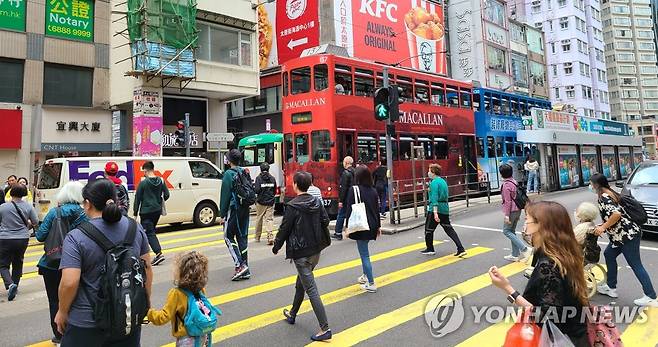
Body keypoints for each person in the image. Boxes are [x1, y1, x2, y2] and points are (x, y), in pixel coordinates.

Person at [56, 179, 153, 346]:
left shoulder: (76, 237)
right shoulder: (134, 228)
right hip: (127, 318)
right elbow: (147, 269)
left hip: (87, 322)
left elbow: (70, 282)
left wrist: (62, 312)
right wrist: (145, 303)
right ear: (114, 200)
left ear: (87, 204)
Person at [489, 201, 590, 346]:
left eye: (527, 220)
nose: (525, 226)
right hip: (577, 336)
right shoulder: (566, 253)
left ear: (541, 225)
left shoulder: (548, 264)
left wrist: (507, 288)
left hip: (563, 340)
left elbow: (546, 316)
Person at [273, 171, 332, 342]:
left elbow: (284, 229)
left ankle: (325, 328)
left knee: (311, 289)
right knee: (301, 284)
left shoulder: (292, 206)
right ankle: (292, 314)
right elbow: (326, 221)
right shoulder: (316, 202)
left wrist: (276, 246)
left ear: (296, 185)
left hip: (301, 254)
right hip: (316, 251)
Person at [590, 173, 658, 306]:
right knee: (609, 254)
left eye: (591, 184)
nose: (590, 186)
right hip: (620, 236)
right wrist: (604, 226)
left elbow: (616, 214)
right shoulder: (610, 192)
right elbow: (615, 215)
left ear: (597, 185)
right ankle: (611, 287)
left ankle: (650, 295)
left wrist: (603, 227)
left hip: (627, 236)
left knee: (635, 264)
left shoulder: (604, 197)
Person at [36, 181, 87, 344]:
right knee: (75, 298)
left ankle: (58, 335)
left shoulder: (54, 212)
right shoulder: (84, 213)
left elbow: (40, 236)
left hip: (50, 263)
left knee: (54, 301)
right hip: (76, 263)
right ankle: (74, 332)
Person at [148, 251, 219, 347]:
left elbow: (163, 317)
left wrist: (148, 313)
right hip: (203, 335)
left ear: (182, 273)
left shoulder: (176, 294)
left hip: (186, 340)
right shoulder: (200, 289)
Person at [345, 166, 380, 293]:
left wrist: (347, 227)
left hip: (361, 225)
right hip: (372, 225)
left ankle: (371, 283)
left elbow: (349, 210)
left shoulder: (353, 190)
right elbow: (376, 210)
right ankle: (365, 276)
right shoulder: (373, 190)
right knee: (364, 251)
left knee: (364, 255)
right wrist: (379, 227)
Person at [0, 183, 38, 301]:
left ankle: (10, 284)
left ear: (11, 193)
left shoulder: (3, 207)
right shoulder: (28, 207)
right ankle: (15, 285)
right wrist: (27, 225)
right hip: (22, 238)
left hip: (5, 238)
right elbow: (35, 221)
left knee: (3, 264)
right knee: (18, 262)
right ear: (24, 194)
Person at [219, 149, 251, 281]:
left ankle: (240, 265)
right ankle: (246, 268)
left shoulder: (228, 174)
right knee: (242, 237)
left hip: (234, 209)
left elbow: (225, 196)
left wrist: (222, 214)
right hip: (245, 209)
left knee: (228, 237)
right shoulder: (244, 171)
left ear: (229, 161)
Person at [422, 164, 466, 257]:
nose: (428, 172)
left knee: (428, 230)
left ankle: (430, 248)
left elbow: (434, 198)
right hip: (445, 208)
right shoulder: (443, 181)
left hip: (435, 208)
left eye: (429, 171)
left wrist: (435, 213)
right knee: (449, 229)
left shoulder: (433, 183)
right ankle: (460, 248)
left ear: (433, 172)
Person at [133, 161, 170, 266]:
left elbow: (138, 199)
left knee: (149, 233)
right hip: (157, 211)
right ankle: (145, 255)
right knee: (150, 231)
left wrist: (135, 213)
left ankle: (158, 254)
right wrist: (158, 201)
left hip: (146, 211)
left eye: (143, 171)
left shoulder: (143, 183)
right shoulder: (161, 181)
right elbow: (167, 195)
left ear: (145, 170)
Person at [499, 164, 532, 262]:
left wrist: (506, 215)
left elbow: (508, 201)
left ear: (502, 174)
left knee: (506, 231)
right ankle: (515, 254)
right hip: (518, 209)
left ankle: (525, 249)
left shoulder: (506, 185)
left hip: (511, 211)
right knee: (511, 231)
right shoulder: (514, 181)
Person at [254, 162, 277, 245]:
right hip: (270, 202)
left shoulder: (258, 178)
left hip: (261, 202)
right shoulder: (272, 178)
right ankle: (270, 237)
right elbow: (274, 191)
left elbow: (256, 190)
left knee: (259, 219)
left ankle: (257, 237)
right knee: (269, 219)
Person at [333, 156, 355, 241]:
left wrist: (341, 200)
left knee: (341, 215)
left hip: (347, 198)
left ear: (346, 163)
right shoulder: (355, 171)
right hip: (354, 196)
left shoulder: (346, 173)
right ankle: (353, 231)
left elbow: (343, 188)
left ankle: (338, 233)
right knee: (352, 214)